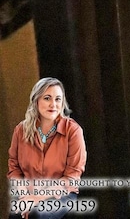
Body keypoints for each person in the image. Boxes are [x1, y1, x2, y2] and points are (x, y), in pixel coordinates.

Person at [7, 77, 86, 214]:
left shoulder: (73, 131)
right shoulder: (20, 130)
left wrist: (35, 198)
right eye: (47, 98)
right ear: (36, 100)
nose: (53, 104)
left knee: (38, 213)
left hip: (62, 194)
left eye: (58, 99)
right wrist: (23, 194)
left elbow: (72, 176)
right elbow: (14, 168)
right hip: (28, 191)